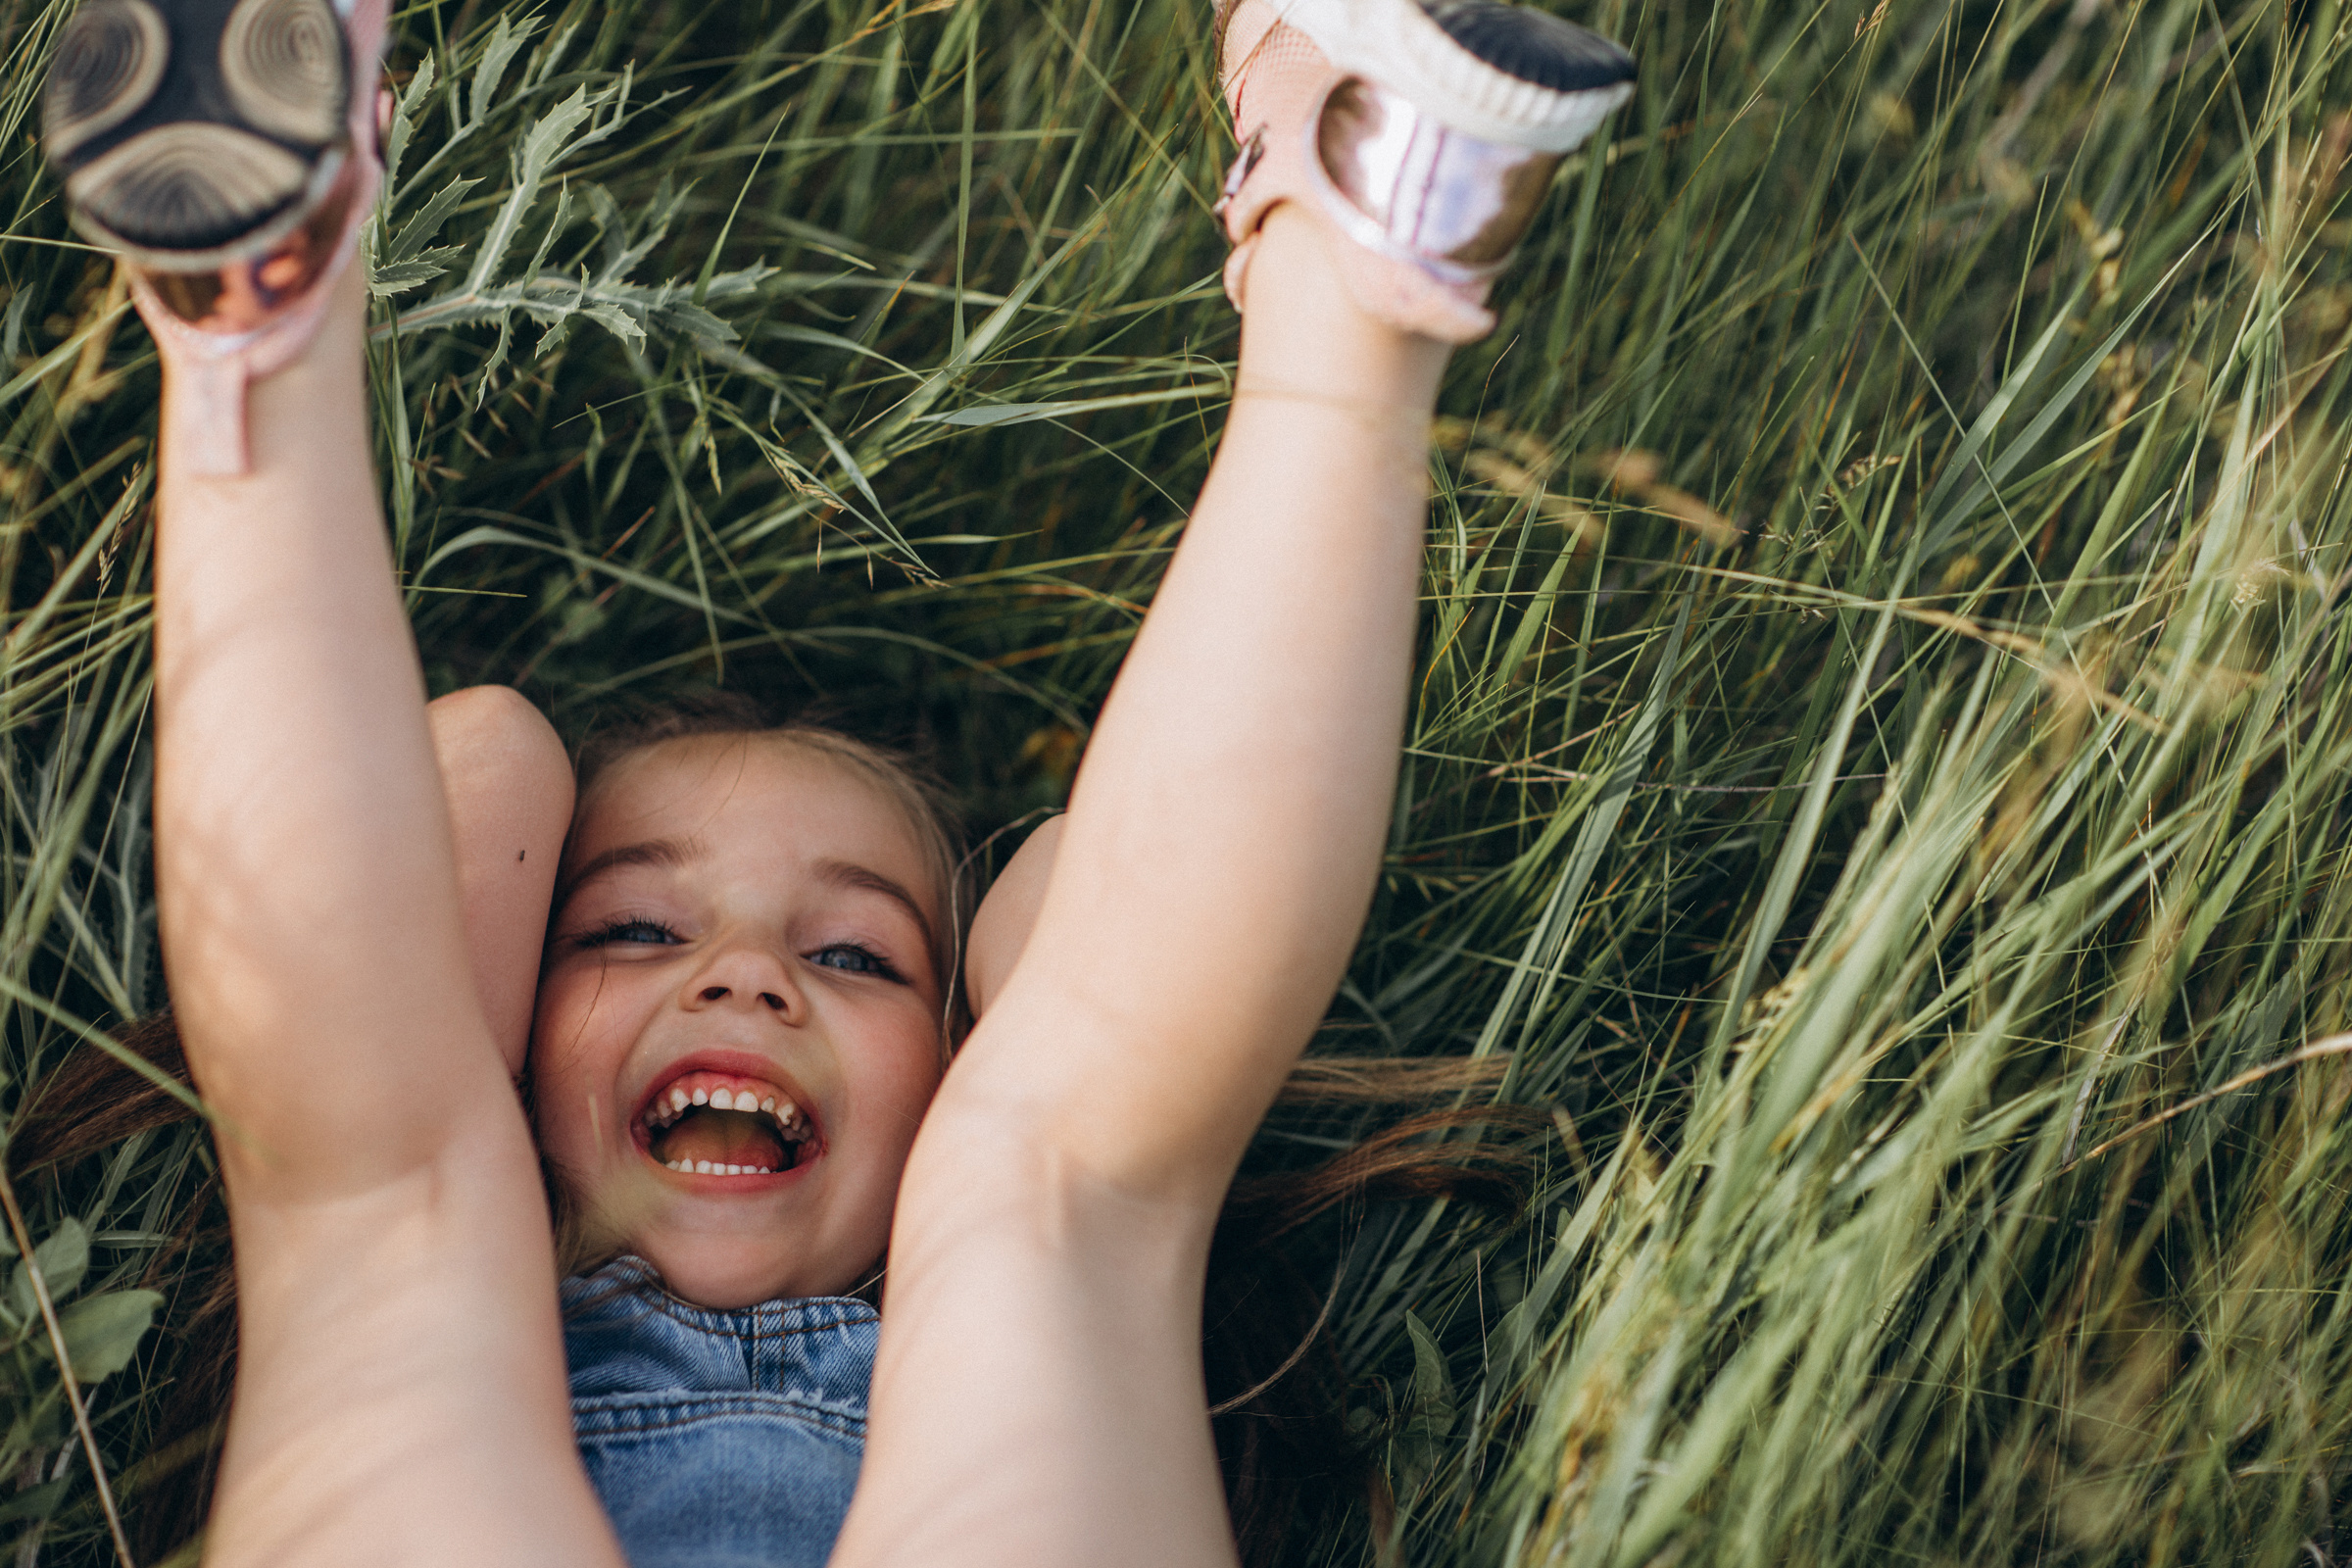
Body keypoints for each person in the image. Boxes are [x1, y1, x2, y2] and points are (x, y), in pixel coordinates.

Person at [36, 0, 1632, 1560]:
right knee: (397, 1168)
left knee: (1044, 1171)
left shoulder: (964, 1245)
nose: (748, 977)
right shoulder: (483, 1202)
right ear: (509, 1031)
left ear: (944, 1068)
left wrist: (1002, 1048)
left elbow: (1115, 950)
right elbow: (419, 904)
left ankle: (257, 312)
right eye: (633, 932)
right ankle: (1357, 271)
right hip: (565, 1292)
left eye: (857, 955)